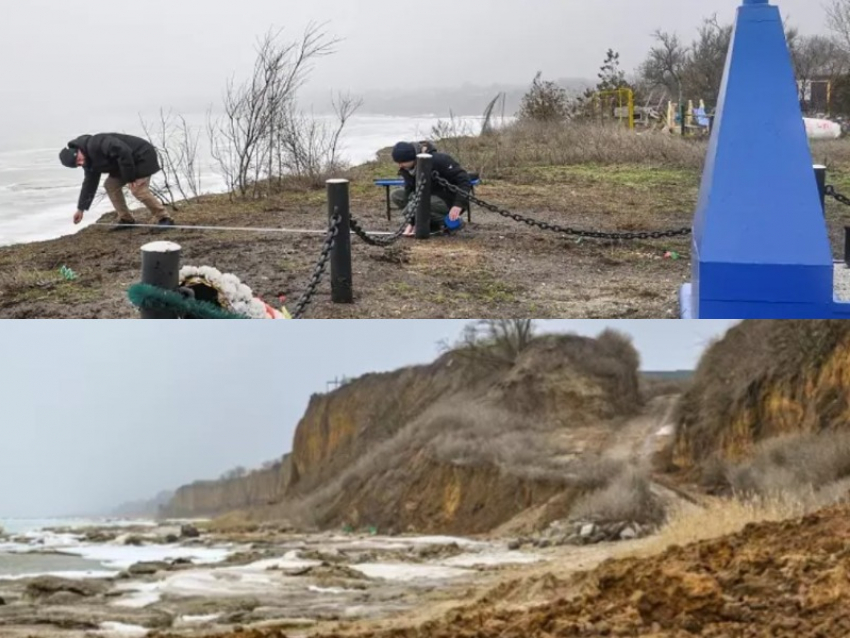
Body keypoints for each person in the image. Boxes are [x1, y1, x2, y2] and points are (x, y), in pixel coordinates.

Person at [59, 133, 174, 228]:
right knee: (110, 185)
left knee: (137, 189)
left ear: (78, 150)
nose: (81, 163)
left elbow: (124, 152)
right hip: (125, 164)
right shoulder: (87, 162)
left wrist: (130, 178)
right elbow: (89, 184)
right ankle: (127, 220)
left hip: (142, 156)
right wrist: (81, 209)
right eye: (78, 164)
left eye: (79, 159)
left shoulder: (98, 143)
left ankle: (164, 218)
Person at [390, 141, 471, 236]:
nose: (400, 165)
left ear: (412, 158)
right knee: (396, 195)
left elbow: (464, 180)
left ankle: (448, 223)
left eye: (402, 162)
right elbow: (409, 190)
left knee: (414, 206)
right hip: (426, 196)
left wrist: (458, 205)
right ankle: (427, 223)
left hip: (448, 198)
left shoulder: (439, 160)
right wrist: (412, 218)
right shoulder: (407, 169)